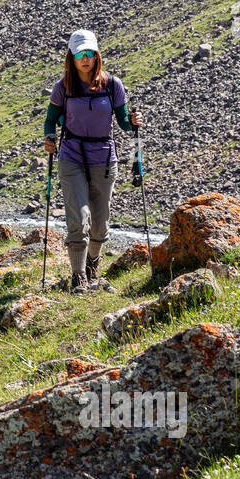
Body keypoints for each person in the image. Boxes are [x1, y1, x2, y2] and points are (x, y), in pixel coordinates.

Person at [42, 29, 142, 291]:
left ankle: (92, 266)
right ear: (72, 57)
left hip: (104, 158)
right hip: (71, 156)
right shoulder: (63, 87)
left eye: (89, 53)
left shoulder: (112, 85)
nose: (85, 59)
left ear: (96, 55)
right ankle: (78, 277)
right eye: (79, 54)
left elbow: (122, 123)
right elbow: (50, 121)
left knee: (99, 223)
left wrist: (133, 123)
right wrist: (50, 137)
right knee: (79, 219)